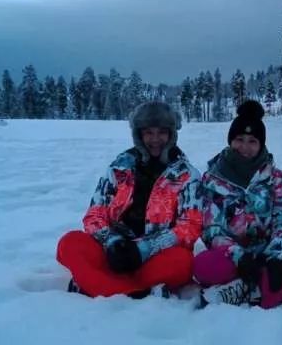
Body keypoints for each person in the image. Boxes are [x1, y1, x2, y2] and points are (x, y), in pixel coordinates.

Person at [56, 101, 202, 298]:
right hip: (112, 251)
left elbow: (190, 227)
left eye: (161, 132)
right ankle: (134, 291)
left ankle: (98, 284)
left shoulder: (187, 175)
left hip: (155, 256)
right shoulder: (119, 167)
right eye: (149, 133)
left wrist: (143, 249)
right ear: (139, 134)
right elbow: (95, 214)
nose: (155, 139)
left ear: (171, 134)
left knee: (182, 262)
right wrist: (112, 242)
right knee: (70, 243)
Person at [193, 100, 282, 310]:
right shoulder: (212, 179)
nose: (245, 147)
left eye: (252, 141)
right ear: (230, 141)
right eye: (239, 139)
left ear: (261, 145)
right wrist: (240, 256)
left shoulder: (276, 178)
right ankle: (277, 293)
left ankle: (242, 291)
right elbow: (211, 230)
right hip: (232, 258)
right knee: (201, 266)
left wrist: (278, 256)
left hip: (269, 255)